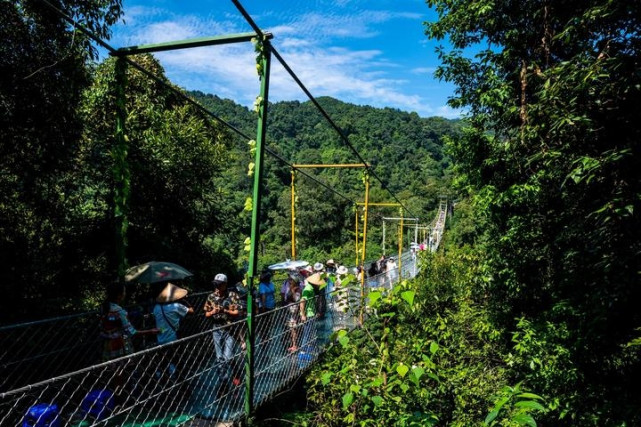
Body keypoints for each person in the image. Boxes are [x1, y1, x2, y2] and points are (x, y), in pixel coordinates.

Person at [100, 282, 159, 362]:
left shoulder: (105, 308)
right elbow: (131, 332)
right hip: (120, 346)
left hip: (108, 345)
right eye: (124, 292)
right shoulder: (119, 312)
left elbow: (111, 322)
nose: (125, 294)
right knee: (121, 369)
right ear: (119, 295)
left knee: (111, 369)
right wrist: (151, 331)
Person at [204, 273, 240, 391]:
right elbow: (206, 313)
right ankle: (223, 381)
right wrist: (213, 312)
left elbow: (238, 312)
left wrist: (224, 310)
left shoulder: (232, 295)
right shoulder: (211, 297)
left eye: (220, 285)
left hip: (230, 328)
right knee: (219, 358)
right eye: (216, 284)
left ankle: (236, 371)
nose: (217, 287)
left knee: (228, 357)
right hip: (216, 328)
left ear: (225, 284)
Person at [299, 272, 325, 353]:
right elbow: (302, 302)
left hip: (311, 313)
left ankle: (309, 348)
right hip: (308, 314)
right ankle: (303, 350)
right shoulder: (308, 289)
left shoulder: (311, 288)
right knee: (307, 333)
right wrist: (303, 315)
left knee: (310, 332)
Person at [284, 277, 302, 353]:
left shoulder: (297, 289)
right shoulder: (291, 288)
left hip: (294, 311)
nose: (289, 281)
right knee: (292, 329)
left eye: (291, 280)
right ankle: (294, 344)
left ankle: (295, 345)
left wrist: (292, 291)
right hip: (290, 310)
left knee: (294, 329)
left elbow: (296, 299)